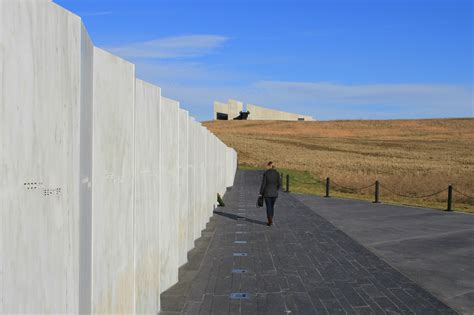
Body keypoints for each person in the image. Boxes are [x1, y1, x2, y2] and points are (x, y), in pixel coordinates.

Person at [259, 161, 281, 226]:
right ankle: (271, 218)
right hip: (274, 193)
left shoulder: (266, 173)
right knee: (272, 206)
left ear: (269, 166)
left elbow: (263, 184)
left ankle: (269, 220)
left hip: (267, 193)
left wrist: (261, 193)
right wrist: (276, 189)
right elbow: (279, 183)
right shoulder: (277, 173)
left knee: (268, 206)